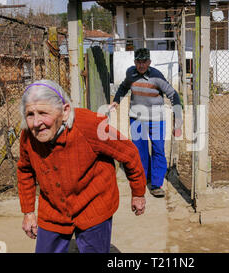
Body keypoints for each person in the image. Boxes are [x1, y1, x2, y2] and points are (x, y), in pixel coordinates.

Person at [17, 79, 147, 253]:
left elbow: (129, 153)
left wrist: (138, 193)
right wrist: (28, 212)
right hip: (53, 208)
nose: (36, 122)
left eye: (43, 113)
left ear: (64, 111)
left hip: (93, 204)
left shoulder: (89, 126)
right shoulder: (28, 136)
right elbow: (25, 170)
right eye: (30, 114)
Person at [109, 48, 183, 198]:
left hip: (156, 119)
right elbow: (124, 87)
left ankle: (156, 184)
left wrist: (178, 118)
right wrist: (116, 100)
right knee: (140, 151)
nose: (141, 65)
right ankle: (144, 176)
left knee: (158, 150)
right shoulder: (131, 73)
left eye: (144, 62)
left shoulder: (157, 77)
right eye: (138, 62)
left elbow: (173, 94)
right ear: (135, 62)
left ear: (149, 62)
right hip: (136, 118)